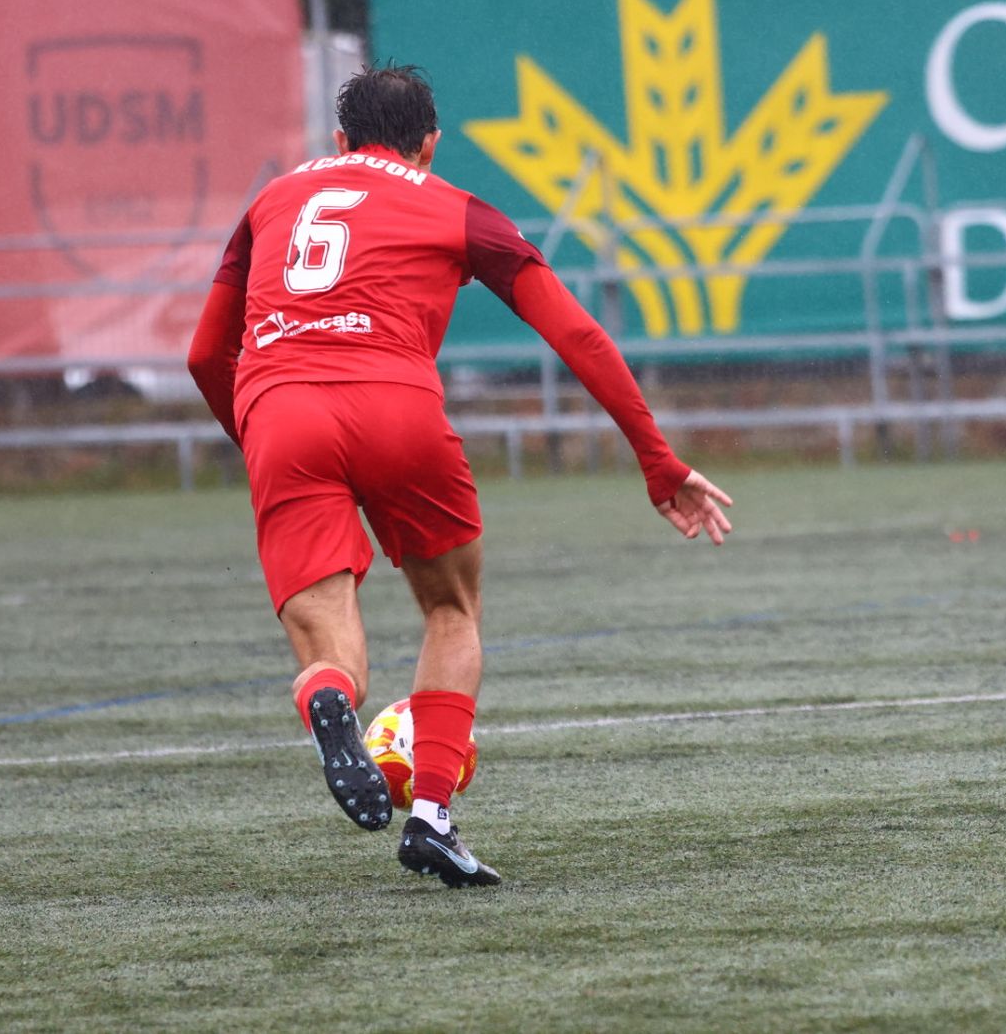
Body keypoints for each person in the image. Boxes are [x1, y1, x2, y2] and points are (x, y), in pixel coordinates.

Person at [186, 64, 733, 888]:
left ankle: (328, 698)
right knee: (452, 606)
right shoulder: (455, 206)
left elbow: (203, 354)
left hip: (281, 410)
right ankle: (434, 817)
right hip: (398, 407)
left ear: (339, 142)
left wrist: (258, 433)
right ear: (430, 145)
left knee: (331, 642)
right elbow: (578, 335)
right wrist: (658, 460)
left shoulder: (270, 202)